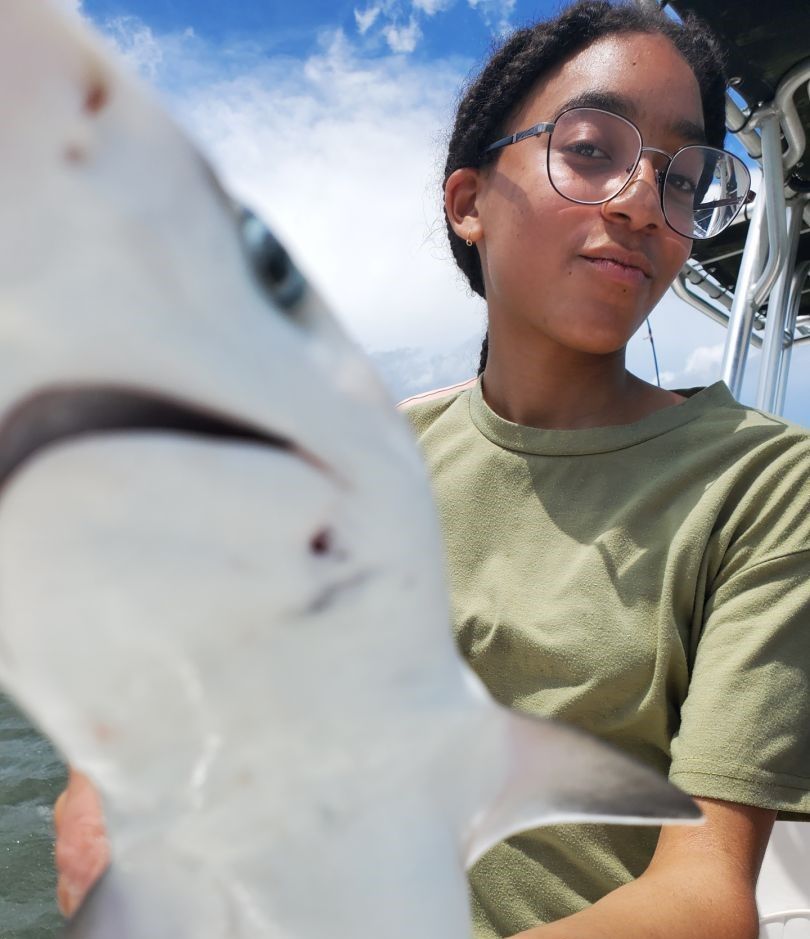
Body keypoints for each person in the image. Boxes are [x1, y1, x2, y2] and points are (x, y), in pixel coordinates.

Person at [55, 2, 810, 936]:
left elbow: (705, 896)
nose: (642, 201)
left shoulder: (763, 485)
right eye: (590, 150)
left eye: (684, 177)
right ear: (467, 203)